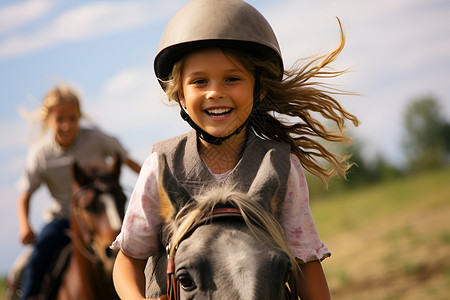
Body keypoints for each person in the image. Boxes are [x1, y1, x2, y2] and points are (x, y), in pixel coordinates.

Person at [112, 0, 359, 299]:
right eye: (200, 81)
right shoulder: (159, 167)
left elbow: (305, 263)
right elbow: (128, 260)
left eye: (232, 79)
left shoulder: (283, 167)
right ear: (180, 93)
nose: (215, 92)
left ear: (260, 88)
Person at [16, 84, 141, 300]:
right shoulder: (40, 155)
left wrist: (153, 183)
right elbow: (25, 194)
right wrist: (24, 225)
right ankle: (28, 295)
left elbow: (126, 159)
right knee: (37, 257)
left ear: (79, 116)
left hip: (101, 215)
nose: (67, 125)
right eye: (60, 120)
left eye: (73, 118)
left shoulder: (95, 138)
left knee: (140, 243)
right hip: (64, 220)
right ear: (48, 121)